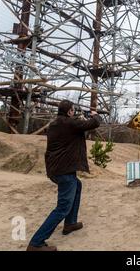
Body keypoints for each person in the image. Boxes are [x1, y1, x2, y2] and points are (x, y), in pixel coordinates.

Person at [27, 100, 100, 251]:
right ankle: (36, 243)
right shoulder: (69, 123)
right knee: (62, 208)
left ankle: (70, 223)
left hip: (56, 169)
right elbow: (93, 124)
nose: (74, 112)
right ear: (69, 112)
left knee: (77, 185)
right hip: (63, 171)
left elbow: (74, 128)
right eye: (73, 110)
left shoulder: (55, 124)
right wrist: (95, 115)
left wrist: (80, 118)